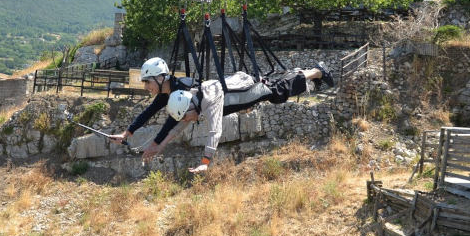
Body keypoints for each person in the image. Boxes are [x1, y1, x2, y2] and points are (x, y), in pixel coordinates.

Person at [111, 57, 335, 171]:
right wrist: (130, 134)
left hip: (242, 92)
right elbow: (173, 120)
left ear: (160, 78)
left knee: (276, 93)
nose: (146, 87)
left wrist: (205, 161)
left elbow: (210, 130)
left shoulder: (200, 100)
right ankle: (313, 74)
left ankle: (315, 71)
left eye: (147, 82)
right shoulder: (181, 99)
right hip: (233, 95)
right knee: (275, 90)